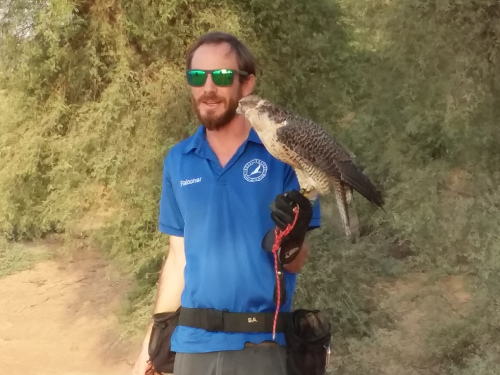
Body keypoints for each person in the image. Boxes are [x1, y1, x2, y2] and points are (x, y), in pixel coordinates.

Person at [132, 31, 321, 375]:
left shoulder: (283, 156)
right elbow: (178, 259)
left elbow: (295, 263)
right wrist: (150, 349)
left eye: (221, 76)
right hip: (190, 348)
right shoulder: (178, 160)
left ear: (246, 85)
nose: (208, 88)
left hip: (260, 347)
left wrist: (292, 239)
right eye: (197, 77)